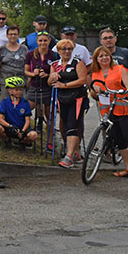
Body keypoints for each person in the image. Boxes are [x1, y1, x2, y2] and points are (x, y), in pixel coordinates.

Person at [90, 46, 128, 183]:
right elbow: (93, 93)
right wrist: (94, 91)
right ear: (96, 59)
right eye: (101, 56)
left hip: (125, 108)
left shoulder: (120, 69)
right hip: (108, 111)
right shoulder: (95, 73)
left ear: (110, 57)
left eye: (106, 55)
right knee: (118, 140)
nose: (104, 58)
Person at [49, 39, 88, 169]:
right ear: (58, 51)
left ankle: (69, 157)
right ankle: (75, 153)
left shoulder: (78, 63)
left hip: (77, 99)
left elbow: (82, 80)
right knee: (65, 125)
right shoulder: (55, 65)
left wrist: (64, 85)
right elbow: (50, 82)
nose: (67, 51)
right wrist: (53, 77)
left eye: (69, 49)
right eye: (64, 49)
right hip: (62, 99)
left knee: (72, 125)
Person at [99, 28, 128, 124]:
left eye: (111, 37)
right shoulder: (98, 54)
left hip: (126, 92)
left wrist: (127, 81)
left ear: (115, 39)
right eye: (105, 38)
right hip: (108, 93)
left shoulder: (125, 52)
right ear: (101, 41)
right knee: (107, 122)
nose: (108, 40)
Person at [0, 77, 38, 146]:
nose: (19, 92)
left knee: (34, 135)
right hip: (10, 127)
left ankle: (22, 142)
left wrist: (22, 131)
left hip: (22, 127)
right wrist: (10, 126)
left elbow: (27, 120)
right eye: (17, 90)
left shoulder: (25, 103)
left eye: (20, 90)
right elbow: (0, 118)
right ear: (10, 90)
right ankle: (7, 140)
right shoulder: (5, 102)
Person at [24, 30, 54, 126]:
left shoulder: (54, 55)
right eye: (40, 41)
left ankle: (50, 139)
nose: (43, 43)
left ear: (49, 41)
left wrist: (47, 75)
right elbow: (26, 71)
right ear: (37, 41)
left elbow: (57, 72)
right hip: (34, 86)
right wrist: (33, 74)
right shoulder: (30, 54)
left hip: (48, 87)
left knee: (49, 116)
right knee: (26, 110)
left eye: (45, 40)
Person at [0, 25, 28, 100]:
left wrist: (28, 80)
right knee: (6, 103)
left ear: (18, 35)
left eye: (15, 34)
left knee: (21, 104)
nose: (13, 36)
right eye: (10, 34)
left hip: (21, 79)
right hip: (5, 79)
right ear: (7, 35)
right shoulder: (2, 49)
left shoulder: (24, 49)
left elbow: (27, 65)